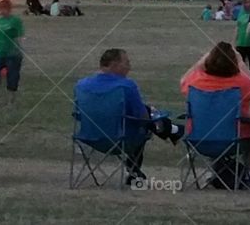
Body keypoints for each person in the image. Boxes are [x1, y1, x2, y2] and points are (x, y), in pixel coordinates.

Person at [75, 48, 183, 184]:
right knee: (145, 119)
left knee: (141, 114)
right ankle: (171, 131)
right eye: (126, 63)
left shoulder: (81, 85)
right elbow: (142, 118)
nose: (129, 67)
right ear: (114, 64)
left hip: (89, 137)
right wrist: (153, 113)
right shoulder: (126, 86)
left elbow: (78, 114)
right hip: (121, 139)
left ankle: (172, 130)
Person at [180, 42, 250, 189]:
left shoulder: (197, 81)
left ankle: (214, 170)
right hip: (235, 140)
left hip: (200, 139)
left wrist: (202, 61)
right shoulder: (241, 82)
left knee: (213, 125)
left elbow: (183, 81)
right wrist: (241, 62)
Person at [0, 0, 24, 104]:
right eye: (0, 8)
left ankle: (11, 98)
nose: (1, 11)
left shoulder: (15, 21)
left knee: (12, 76)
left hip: (12, 53)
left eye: (3, 8)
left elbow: (20, 36)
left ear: (9, 9)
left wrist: (20, 50)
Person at [235, 0, 250, 75]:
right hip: (241, 42)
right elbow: (237, 26)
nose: (247, 4)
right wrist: (234, 40)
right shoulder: (241, 12)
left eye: (249, 2)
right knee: (240, 63)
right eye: (246, 2)